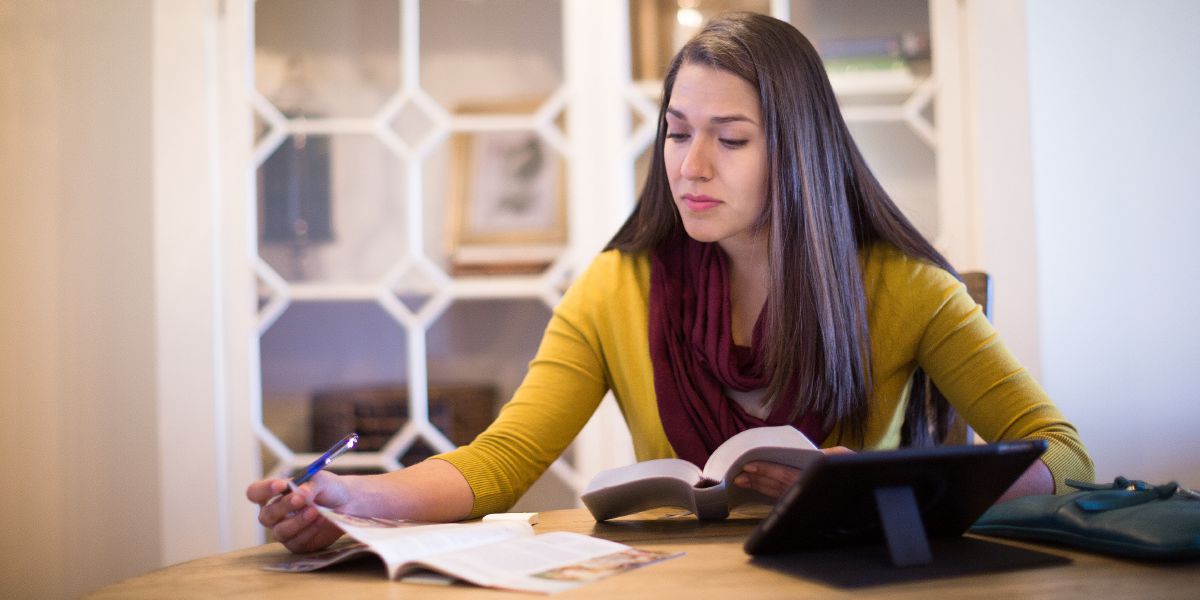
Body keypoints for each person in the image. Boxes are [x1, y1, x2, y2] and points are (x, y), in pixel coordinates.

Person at [247, 12, 1093, 554]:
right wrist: (355, 500)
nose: (690, 166)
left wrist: (882, 484)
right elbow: (504, 460)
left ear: (796, 151)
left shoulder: (905, 288)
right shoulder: (616, 286)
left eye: (729, 139)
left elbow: (1067, 457)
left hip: (852, 575)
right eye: (676, 131)